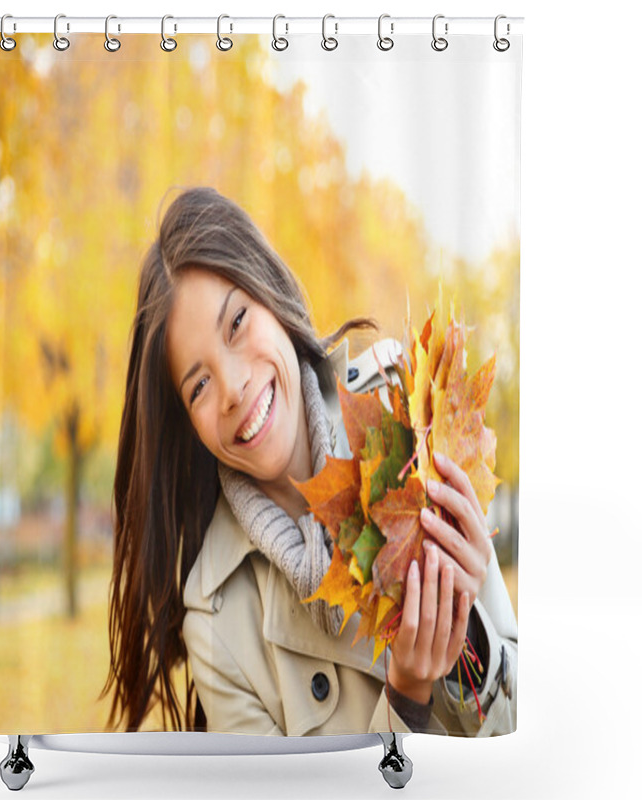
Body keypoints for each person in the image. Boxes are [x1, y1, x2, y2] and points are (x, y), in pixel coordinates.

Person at [101, 186, 517, 737]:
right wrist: (405, 701)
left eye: (237, 323)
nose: (233, 387)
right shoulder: (216, 619)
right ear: (189, 424)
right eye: (198, 384)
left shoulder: (404, 407)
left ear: (272, 297)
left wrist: (468, 642)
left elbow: (527, 733)